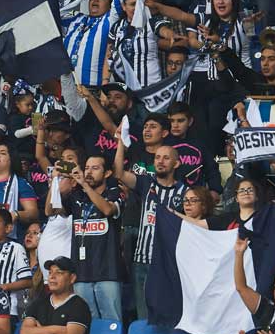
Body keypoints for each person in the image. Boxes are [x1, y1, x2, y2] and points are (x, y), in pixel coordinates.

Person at [114, 131, 187, 320]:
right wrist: (121, 142)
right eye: (157, 158)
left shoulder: (185, 192)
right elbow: (119, 173)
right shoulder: (146, 182)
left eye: (166, 158)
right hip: (142, 261)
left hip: (168, 262)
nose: (160, 161)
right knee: (143, 317)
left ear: (176, 164)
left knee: (167, 314)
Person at [61, 156, 125, 320]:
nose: (88, 172)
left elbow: (107, 210)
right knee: (86, 323)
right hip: (81, 273)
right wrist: (56, 180)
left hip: (108, 272)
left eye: (95, 168)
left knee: (112, 322)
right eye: (87, 167)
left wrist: (84, 185)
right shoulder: (76, 196)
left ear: (107, 173)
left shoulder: (114, 192)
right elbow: (49, 210)